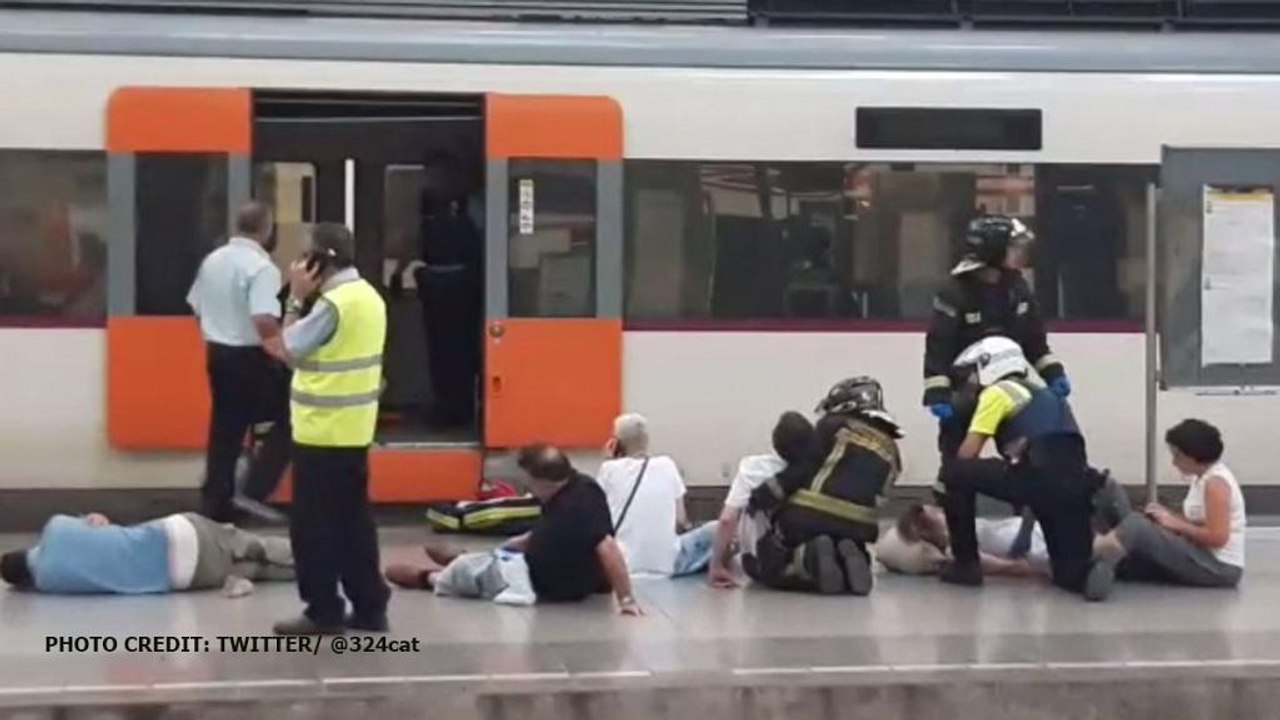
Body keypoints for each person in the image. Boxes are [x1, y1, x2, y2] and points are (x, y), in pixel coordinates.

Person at [265, 223, 390, 635]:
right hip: (354, 431)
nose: (298, 264)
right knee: (355, 524)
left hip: (320, 433)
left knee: (312, 528)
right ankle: (371, 608)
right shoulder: (369, 297)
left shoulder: (333, 304)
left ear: (321, 262)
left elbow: (287, 349)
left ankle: (323, 610)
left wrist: (296, 301)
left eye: (305, 257)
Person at [934, 336, 1110, 600]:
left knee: (954, 472)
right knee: (1068, 575)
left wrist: (954, 428)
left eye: (971, 375)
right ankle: (1091, 570)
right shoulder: (1050, 396)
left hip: (1037, 479)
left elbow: (967, 455)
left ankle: (966, 565)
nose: (970, 384)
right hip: (1076, 487)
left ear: (989, 366)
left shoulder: (998, 392)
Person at [385, 444, 643, 615]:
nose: (527, 487)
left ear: (542, 481)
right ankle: (466, 558)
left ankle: (430, 576)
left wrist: (627, 600)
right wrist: (516, 543)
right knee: (491, 556)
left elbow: (607, 547)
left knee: (465, 572)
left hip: (540, 580)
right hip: (544, 563)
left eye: (529, 481)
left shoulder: (575, 507)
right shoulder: (582, 486)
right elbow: (556, 534)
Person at [923, 215, 1069, 460]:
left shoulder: (1018, 289)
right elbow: (939, 346)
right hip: (966, 388)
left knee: (1022, 452)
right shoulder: (955, 293)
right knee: (957, 458)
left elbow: (1034, 341)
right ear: (992, 252)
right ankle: (953, 496)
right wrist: (938, 394)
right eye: (1014, 248)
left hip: (1009, 388)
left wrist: (1054, 374)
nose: (1021, 255)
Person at [748, 377, 903, 596]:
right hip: (862, 524)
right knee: (846, 539)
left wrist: (765, 494)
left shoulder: (833, 426)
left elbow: (804, 468)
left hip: (811, 513)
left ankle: (806, 558)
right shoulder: (893, 450)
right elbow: (880, 498)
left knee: (772, 561)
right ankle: (853, 553)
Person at [186, 201, 291, 523]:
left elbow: (196, 304)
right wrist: (284, 355)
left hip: (217, 353)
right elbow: (264, 319)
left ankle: (215, 500)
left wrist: (218, 330)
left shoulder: (213, 261)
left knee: (225, 430)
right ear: (267, 228)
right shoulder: (262, 268)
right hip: (250, 357)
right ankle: (252, 492)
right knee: (292, 417)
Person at [1088, 419, 1245, 595]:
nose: (1174, 462)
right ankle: (1105, 556)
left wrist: (1176, 524)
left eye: (1177, 456)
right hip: (1201, 554)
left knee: (1137, 527)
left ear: (1192, 456)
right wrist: (1166, 517)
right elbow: (1199, 522)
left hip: (1218, 567)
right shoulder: (1201, 478)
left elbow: (1218, 537)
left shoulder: (1216, 484)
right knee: (1112, 493)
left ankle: (1095, 552)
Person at [393, 152, 483, 428]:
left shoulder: (476, 207)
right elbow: (413, 241)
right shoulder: (430, 211)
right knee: (440, 351)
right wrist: (402, 272)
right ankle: (446, 406)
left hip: (463, 286)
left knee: (462, 351)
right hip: (438, 285)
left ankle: (461, 408)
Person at [0, 511, 292, 595]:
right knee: (254, 544)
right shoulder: (56, 527)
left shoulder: (51, 584)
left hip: (185, 577)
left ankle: (316, 569)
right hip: (176, 533)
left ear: (25, 582)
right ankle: (327, 554)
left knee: (261, 571)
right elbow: (97, 522)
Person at [596, 413, 716, 578]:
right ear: (646, 439)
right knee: (718, 528)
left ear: (617, 443)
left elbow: (600, 517)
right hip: (668, 564)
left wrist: (609, 458)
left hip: (622, 565)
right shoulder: (667, 464)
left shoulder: (608, 469)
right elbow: (681, 520)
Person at [707, 411, 816, 589]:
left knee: (715, 535)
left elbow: (727, 520)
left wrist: (716, 565)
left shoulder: (753, 469)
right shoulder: (815, 472)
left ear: (775, 442)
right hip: (804, 547)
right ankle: (808, 563)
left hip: (761, 562)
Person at [878, 503, 1048, 579]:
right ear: (926, 529)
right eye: (935, 514)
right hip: (1031, 542)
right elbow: (1005, 566)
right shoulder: (957, 548)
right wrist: (1033, 571)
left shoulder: (958, 530)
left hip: (1023, 529)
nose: (940, 513)